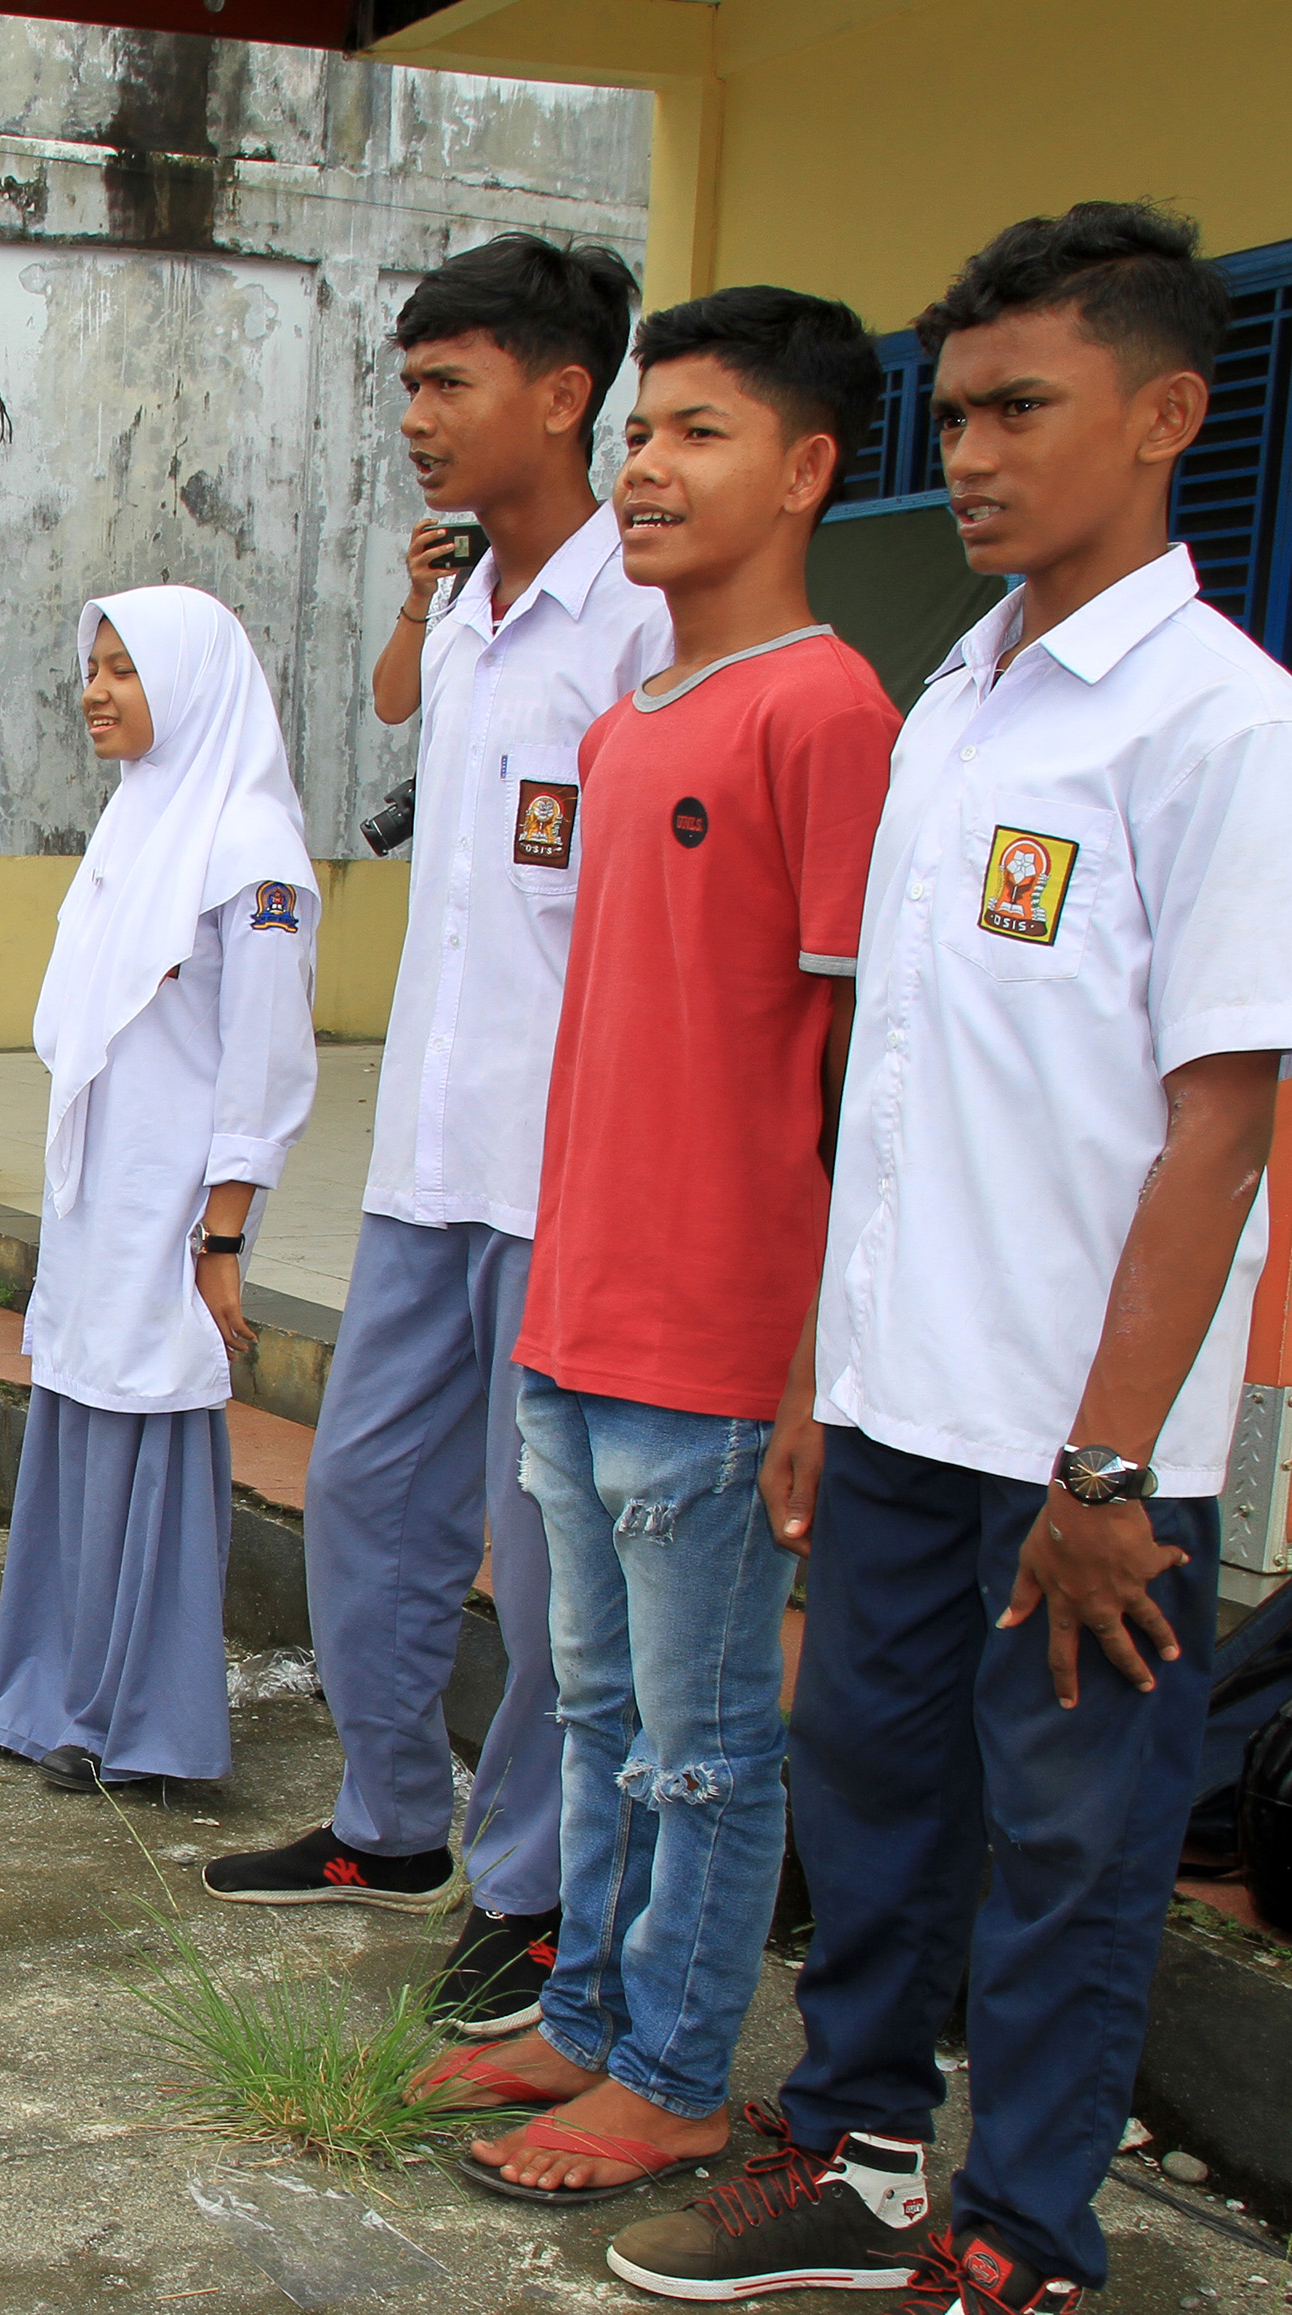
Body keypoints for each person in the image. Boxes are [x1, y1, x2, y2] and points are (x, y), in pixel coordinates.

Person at [601, 205, 1292, 2315]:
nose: (981, 450)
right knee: (875, 1804)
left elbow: (1217, 1127)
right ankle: (844, 2153)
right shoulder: (963, 698)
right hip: (905, 1403)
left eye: (1024, 405)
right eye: (961, 410)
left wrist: (1105, 1475)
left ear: (1161, 417)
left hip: (1078, 1459)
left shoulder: (1223, 735)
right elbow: (900, 1084)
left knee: (1061, 1858)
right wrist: (827, 1380)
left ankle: (1010, 2257)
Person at [427, 288, 898, 2198]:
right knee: (600, 1711)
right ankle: (595, 2019)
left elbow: (866, 1067)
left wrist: (808, 1370)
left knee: (706, 1743)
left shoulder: (830, 710)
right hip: (581, 1303)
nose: (643, 468)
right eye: (638, 433)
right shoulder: (634, 721)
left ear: (802, 470)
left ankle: (684, 2066)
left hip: (717, 1341)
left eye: (696, 434)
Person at [203, 235, 667, 2042]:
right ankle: (395, 1824)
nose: (413, 419)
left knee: (549, 1567)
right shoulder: (473, 609)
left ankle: (536, 1893)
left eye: (446, 383)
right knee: (368, 1508)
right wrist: (420, 602)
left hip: (568, 1178)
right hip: (422, 1167)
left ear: (562, 395)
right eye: (406, 385)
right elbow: (401, 730)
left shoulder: (642, 617)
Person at [0, 589, 319, 1800]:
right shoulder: (134, 825)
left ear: (194, 682)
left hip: (172, 1202)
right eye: (94, 666)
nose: (97, 690)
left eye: (126, 668)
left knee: (158, 1430)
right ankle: (61, 1696)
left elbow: (263, 1062)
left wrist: (221, 1234)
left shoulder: (249, 851)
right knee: (81, 1413)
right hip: (96, 1198)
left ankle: (149, 1722)